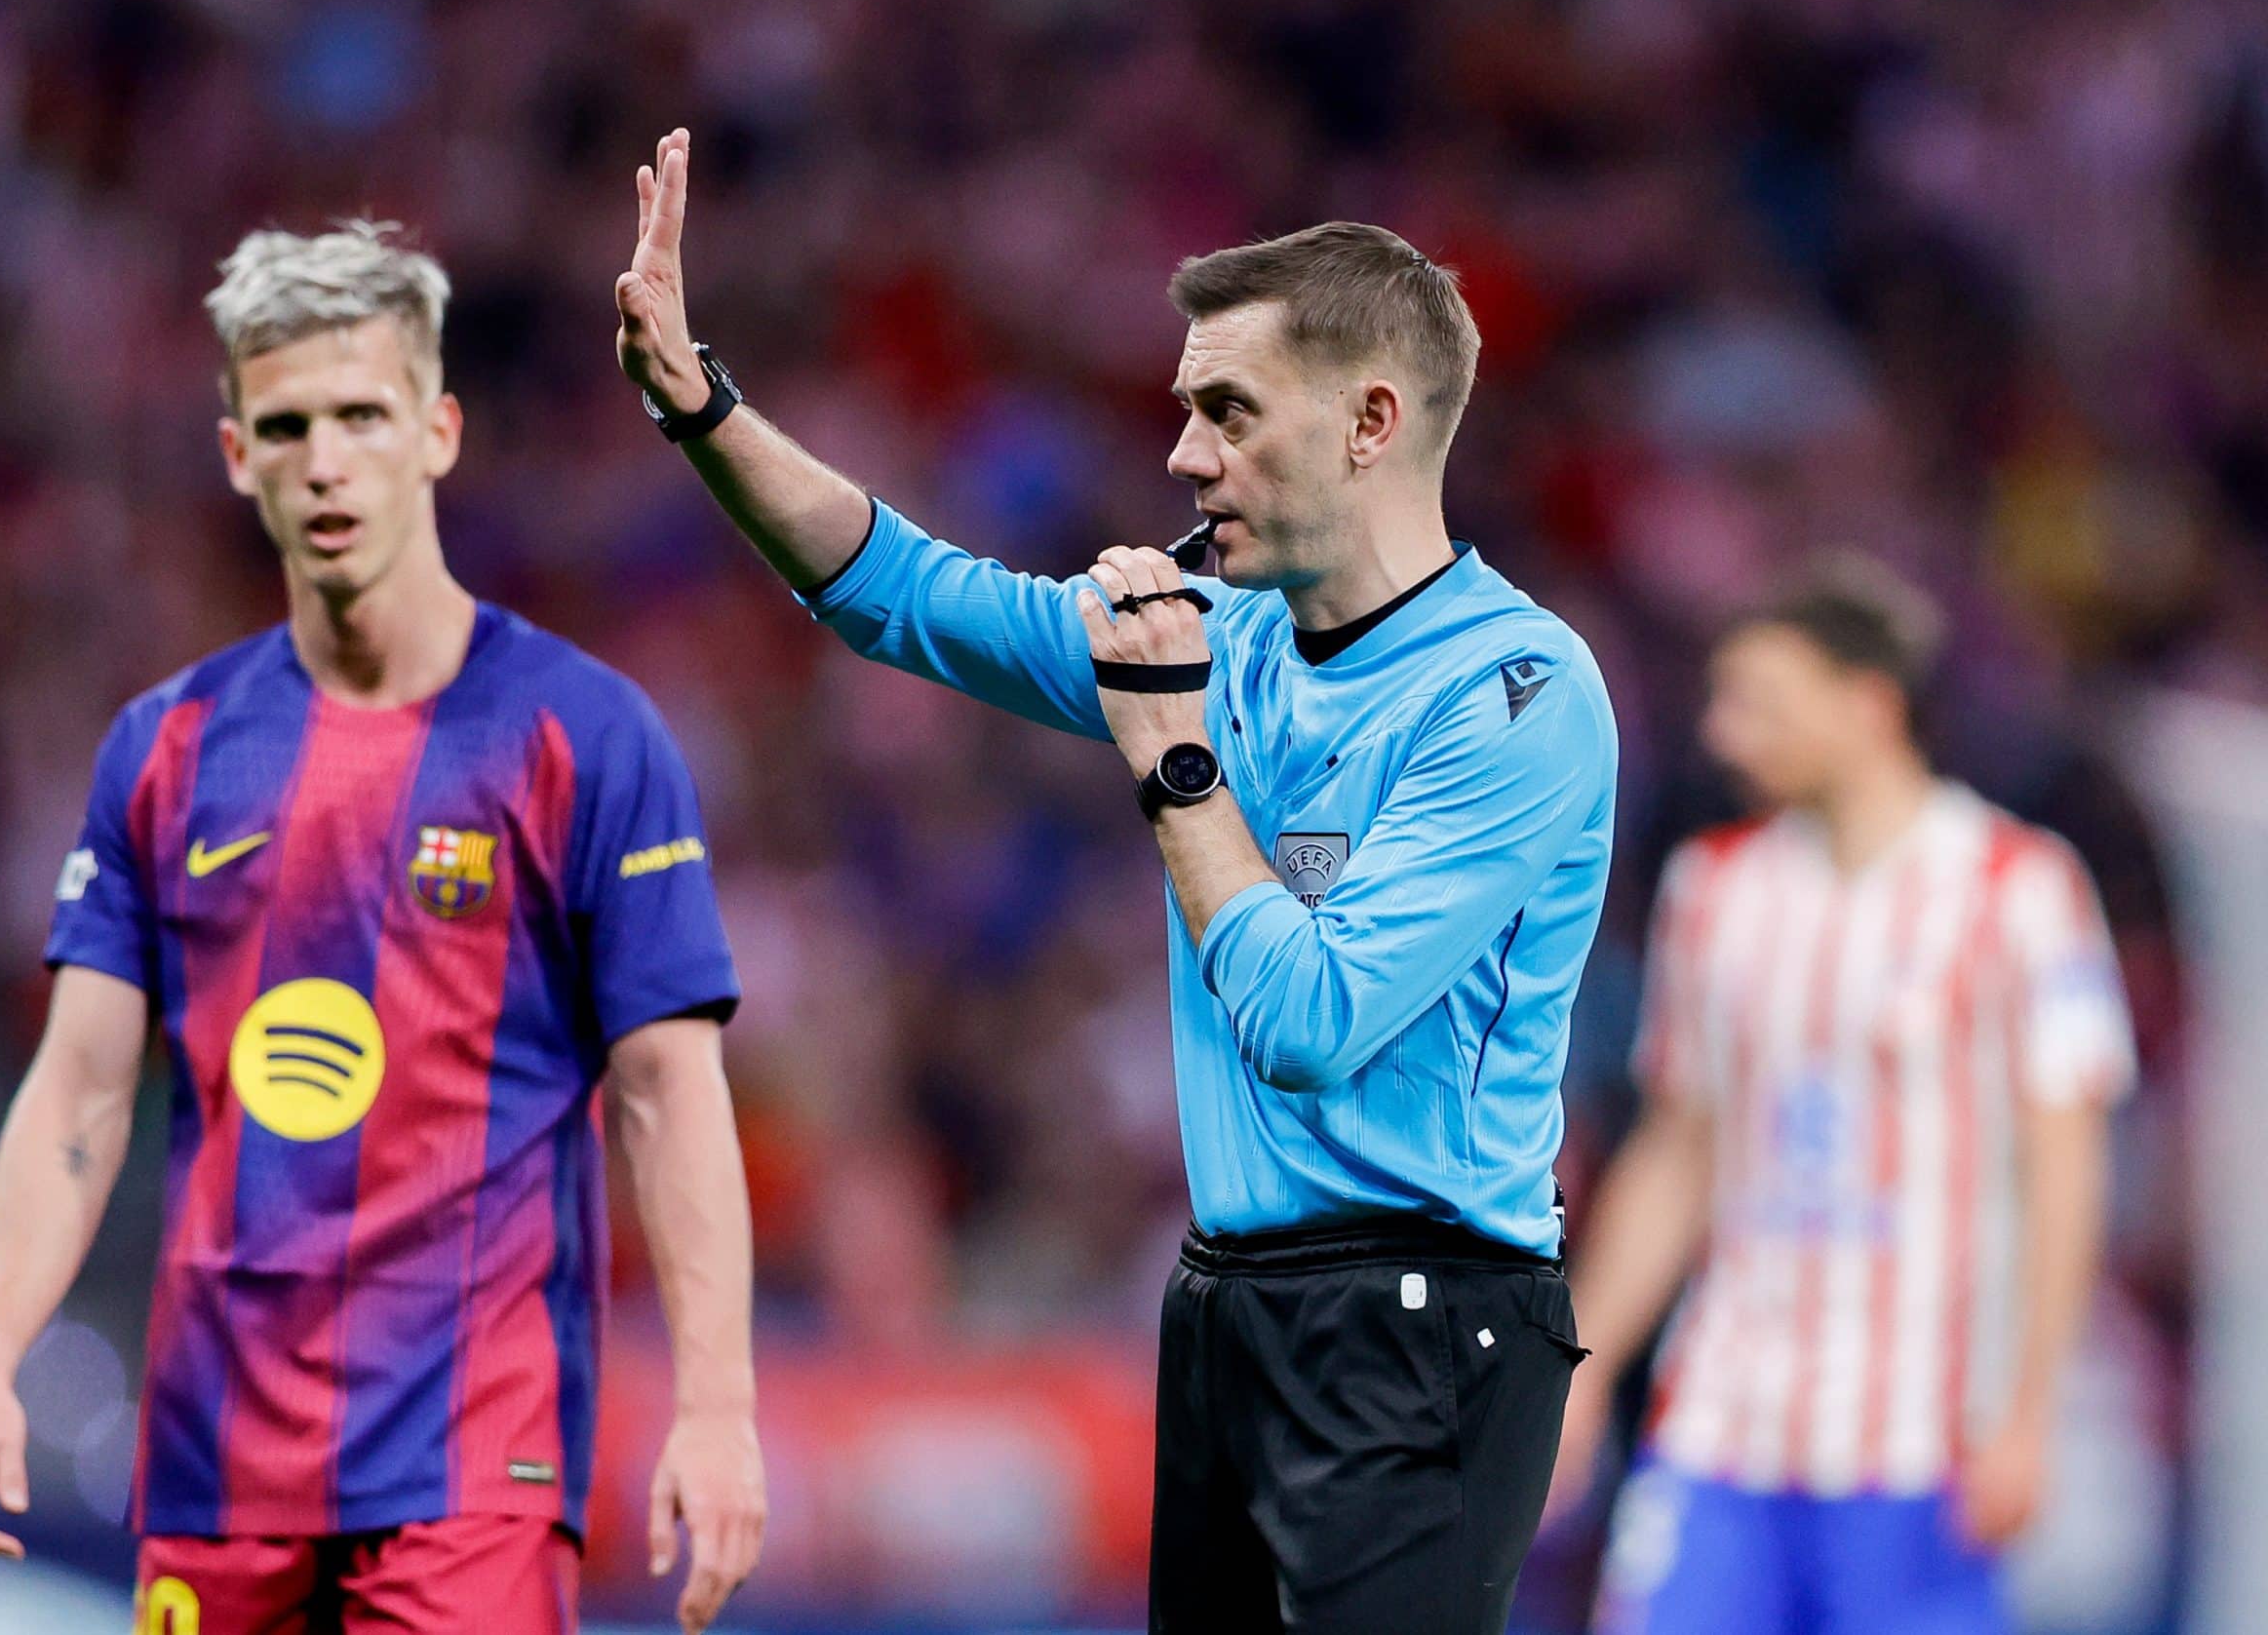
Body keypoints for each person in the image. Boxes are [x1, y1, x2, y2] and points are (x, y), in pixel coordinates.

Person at [612, 128, 1617, 1633]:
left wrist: (1172, 749)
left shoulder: (1516, 692)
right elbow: (901, 597)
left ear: (1371, 420)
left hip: (1423, 1319)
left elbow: (1310, 1021)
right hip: (1226, 1306)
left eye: (1229, 411)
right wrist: (702, 407)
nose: (1184, 457)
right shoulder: (1226, 633)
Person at [0, 222, 766, 1635]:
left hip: (474, 1464)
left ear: (438, 433)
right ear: (236, 453)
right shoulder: (166, 747)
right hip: (213, 1458)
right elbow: (79, 1088)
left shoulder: (584, 734)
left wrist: (719, 1408)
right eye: (286, 425)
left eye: (363, 416)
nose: (325, 461)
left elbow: (670, 1090)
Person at [1550, 566, 2133, 1633]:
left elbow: (2065, 1162)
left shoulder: (2019, 885)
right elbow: (1679, 1151)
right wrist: (1580, 1370)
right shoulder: (1713, 886)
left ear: (1869, 705)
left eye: (1762, 702)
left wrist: (2030, 1411)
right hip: (1721, 1423)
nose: (1725, 734)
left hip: (1919, 1441)